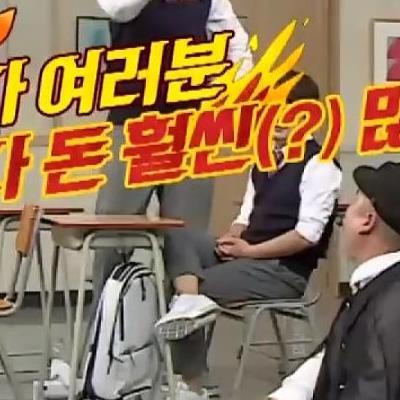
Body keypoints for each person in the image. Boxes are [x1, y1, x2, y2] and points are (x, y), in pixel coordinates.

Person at [156, 71, 342, 399]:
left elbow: (306, 236)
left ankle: (192, 381)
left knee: (194, 284)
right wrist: (233, 238)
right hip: (246, 255)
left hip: (283, 271)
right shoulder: (263, 159)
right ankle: (190, 309)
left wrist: (248, 252)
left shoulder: (321, 165)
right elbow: (245, 215)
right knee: (179, 236)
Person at [94, 0, 253, 294]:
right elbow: (119, 9)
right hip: (134, 122)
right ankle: (105, 320)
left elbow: (237, 46)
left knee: (187, 236)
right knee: (113, 232)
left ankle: (184, 315)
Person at [268, 161, 400, 400]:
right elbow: (335, 351)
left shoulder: (388, 307)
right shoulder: (376, 286)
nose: (343, 214)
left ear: (367, 221)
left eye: (353, 202)